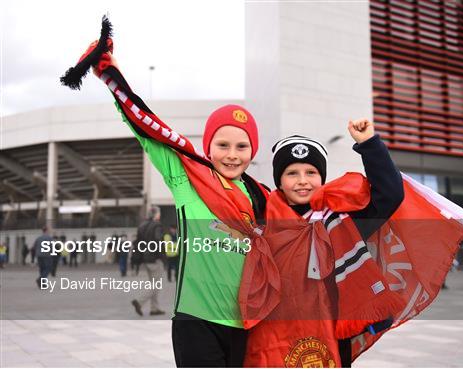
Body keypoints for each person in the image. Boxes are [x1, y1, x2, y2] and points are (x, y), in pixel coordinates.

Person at [70, 34, 270, 367]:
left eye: (241, 147)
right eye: (223, 145)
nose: (232, 156)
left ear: (253, 152)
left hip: (249, 324)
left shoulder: (263, 197)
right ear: (208, 147)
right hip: (196, 324)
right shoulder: (186, 179)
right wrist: (109, 74)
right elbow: (145, 128)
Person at [244, 120, 405, 367]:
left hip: (331, 335)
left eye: (311, 173)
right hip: (272, 335)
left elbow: (390, 195)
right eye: (292, 173)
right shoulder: (263, 219)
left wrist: (369, 144)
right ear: (278, 180)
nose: (302, 181)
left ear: (322, 178)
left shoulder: (341, 221)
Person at [131, 206, 167, 316]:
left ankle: (154, 308)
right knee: (156, 285)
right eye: (159, 213)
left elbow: (138, 243)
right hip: (155, 259)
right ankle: (139, 301)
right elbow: (158, 242)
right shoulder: (157, 225)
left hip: (146, 259)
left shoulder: (142, 226)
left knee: (154, 284)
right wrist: (162, 257)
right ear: (156, 214)